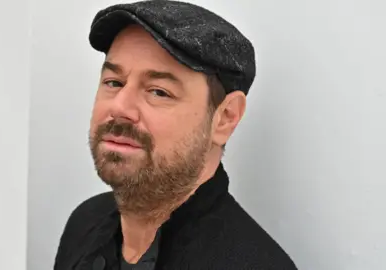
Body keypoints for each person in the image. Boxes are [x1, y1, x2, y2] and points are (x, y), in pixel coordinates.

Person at [54, 1, 297, 269]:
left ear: (225, 118)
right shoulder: (85, 224)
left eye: (159, 91)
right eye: (114, 83)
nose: (120, 107)